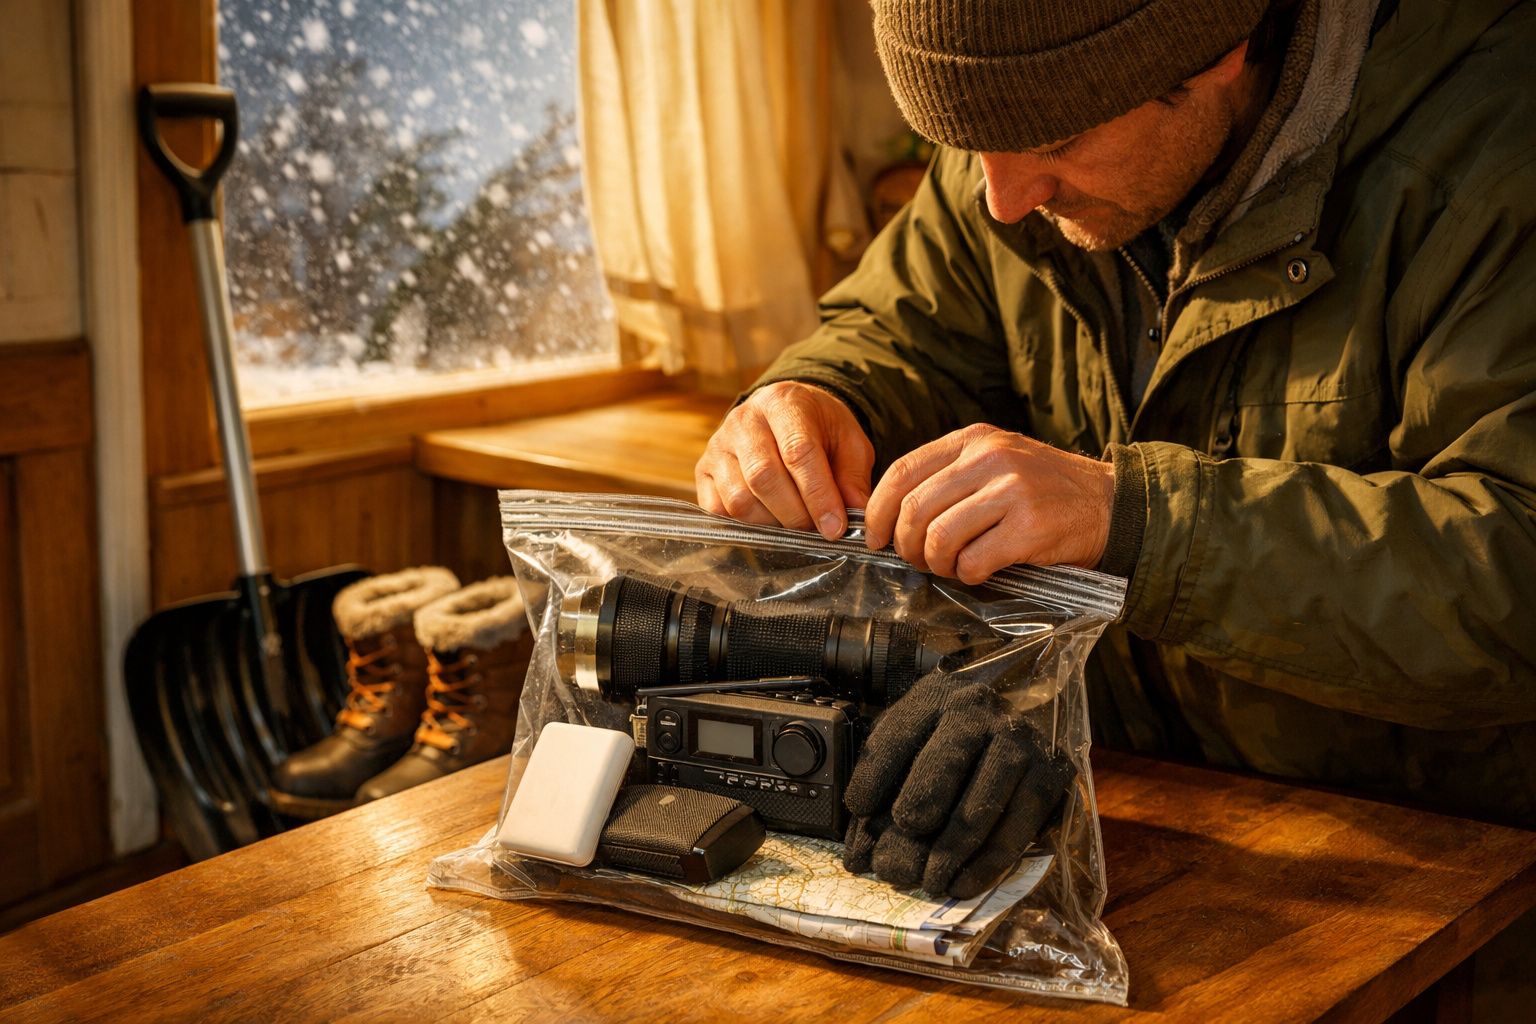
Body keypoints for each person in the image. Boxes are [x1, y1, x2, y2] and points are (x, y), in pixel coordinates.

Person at [695, 0, 1536, 828]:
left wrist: (1132, 522)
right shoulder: (1020, 122)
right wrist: (821, 396)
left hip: (1450, 870)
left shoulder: (1498, 159)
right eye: (963, 147)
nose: (1003, 200)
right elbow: (901, 328)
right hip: (1128, 810)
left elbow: (1514, 574)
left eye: (1057, 143)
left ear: (1219, 49)